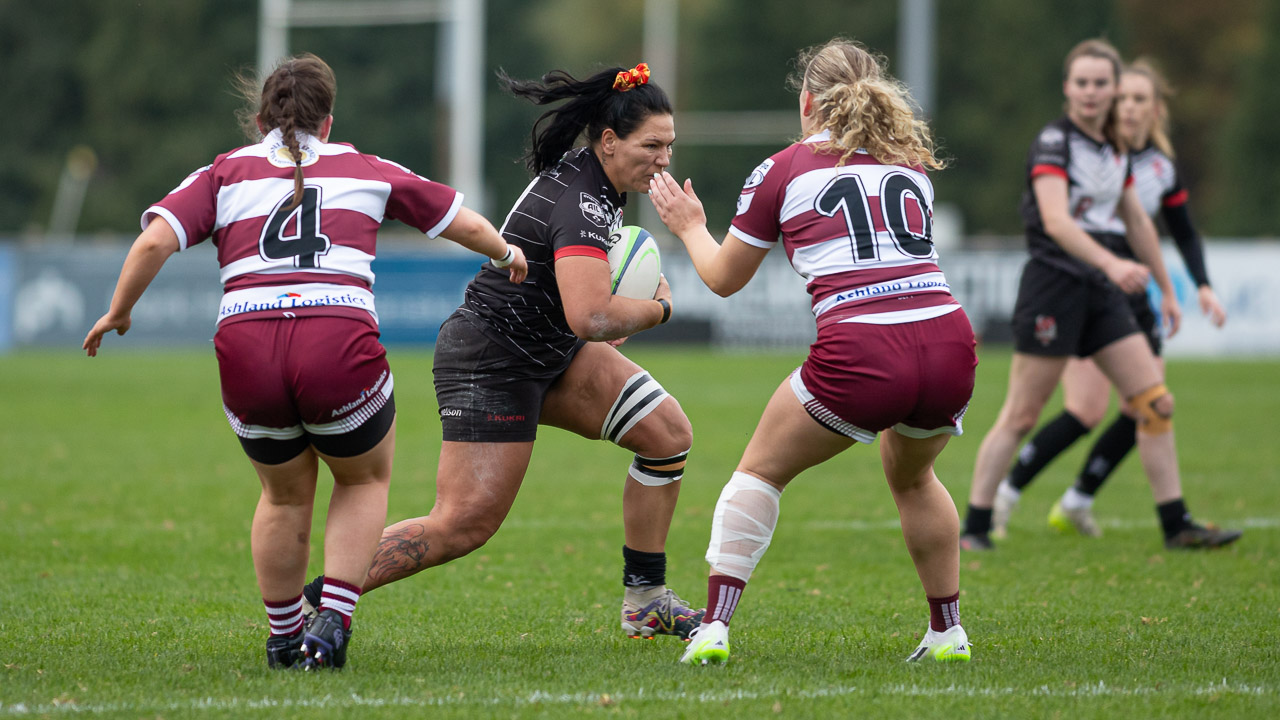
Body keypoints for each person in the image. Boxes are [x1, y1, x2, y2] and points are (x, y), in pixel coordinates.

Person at [82, 53, 527, 670]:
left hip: (247, 347)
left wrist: (119, 311)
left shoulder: (223, 173)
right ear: (329, 121)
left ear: (260, 119)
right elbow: (462, 222)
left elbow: (155, 238)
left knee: (283, 496)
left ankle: (283, 638)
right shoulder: (365, 167)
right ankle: (331, 623)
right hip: (335, 339)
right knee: (362, 479)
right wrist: (507, 253)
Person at [299, 62, 704, 641]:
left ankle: (646, 600)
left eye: (669, 145)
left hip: (549, 351)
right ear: (610, 141)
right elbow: (590, 316)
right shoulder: (584, 200)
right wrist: (659, 307)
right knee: (460, 525)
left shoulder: (593, 178)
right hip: (493, 360)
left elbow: (582, 310)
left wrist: (609, 311)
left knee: (666, 435)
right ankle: (314, 604)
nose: (664, 159)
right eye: (652, 146)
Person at [648, 38, 976, 665]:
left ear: (807, 101)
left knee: (759, 473)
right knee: (915, 478)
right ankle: (948, 631)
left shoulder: (784, 168)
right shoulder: (911, 165)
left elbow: (723, 278)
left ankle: (713, 627)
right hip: (947, 340)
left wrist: (689, 225)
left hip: (864, 345)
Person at [958, 40, 1241, 552]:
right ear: (1068, 88)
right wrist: (1112, 263)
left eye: (1101, 83)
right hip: (1054, 286)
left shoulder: (1114, 147)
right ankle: (976, 525)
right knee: (1022, 415)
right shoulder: (1054, 142)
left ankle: (1176, 524)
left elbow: (1138, 221)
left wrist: (1166, 289)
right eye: (1082, 83)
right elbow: (1056, 220)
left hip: (1100, 290)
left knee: (1155, 403)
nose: (1091, 92)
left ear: (1113, 89)